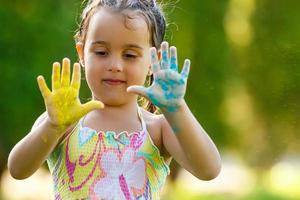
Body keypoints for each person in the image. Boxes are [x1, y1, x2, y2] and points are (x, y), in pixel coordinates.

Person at [8, 0, 221, 199]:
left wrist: (177, 109)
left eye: (129, 55)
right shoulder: (63, 123)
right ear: (82, 53)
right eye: (101, 52)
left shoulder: (158, 129)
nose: (115, 65)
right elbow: (17, 170)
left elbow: (209, 170)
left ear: (151, 61)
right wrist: (52, 126)